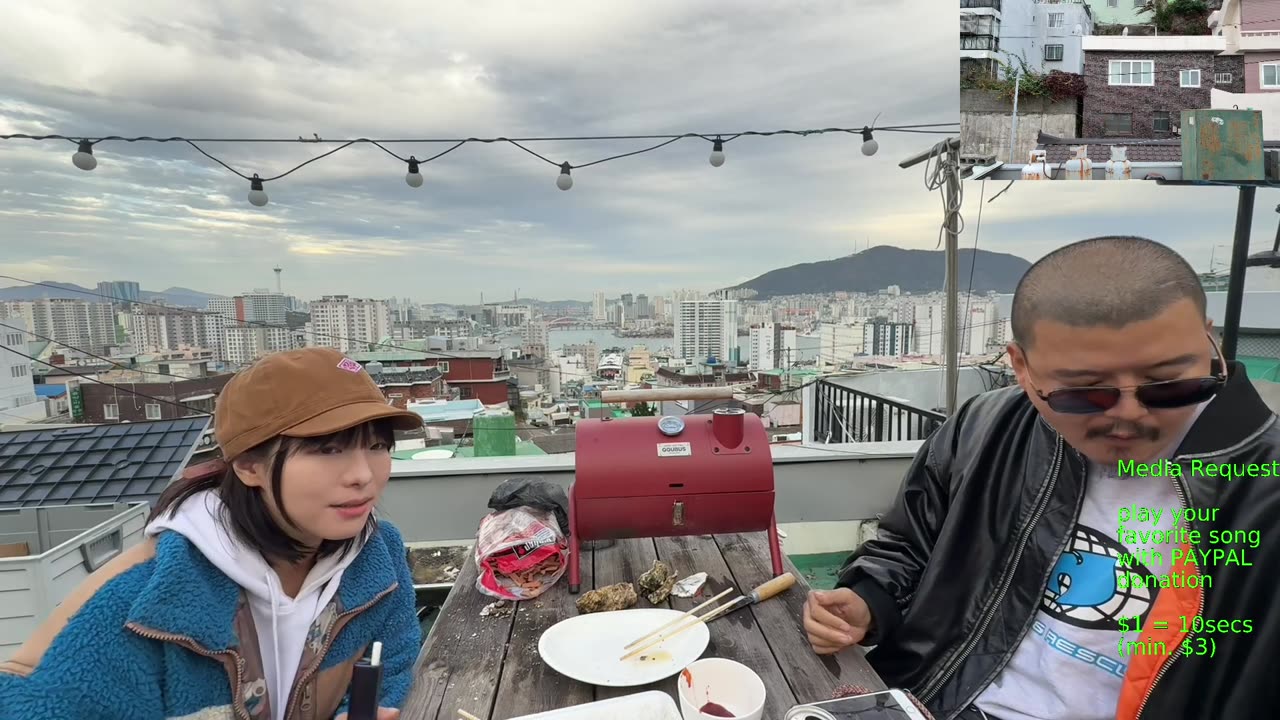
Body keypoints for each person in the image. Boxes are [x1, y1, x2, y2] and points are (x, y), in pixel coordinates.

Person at [802, 236, 1280, 720]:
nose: (1130, 416)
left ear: (1208, 341)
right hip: (936, 701)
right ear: (1022, 368)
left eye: (1170, 383)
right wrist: (869, 600)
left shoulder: (1265, 490)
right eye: (1086, 394)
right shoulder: (987, 427)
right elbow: (909, 544)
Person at [0, 347, 425, 720]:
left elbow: (394, 650)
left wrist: (370, 701)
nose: (363, 475)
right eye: (326, 449)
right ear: (248, 466)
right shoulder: (145, 604)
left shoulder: (376, 556)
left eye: (377, 446)